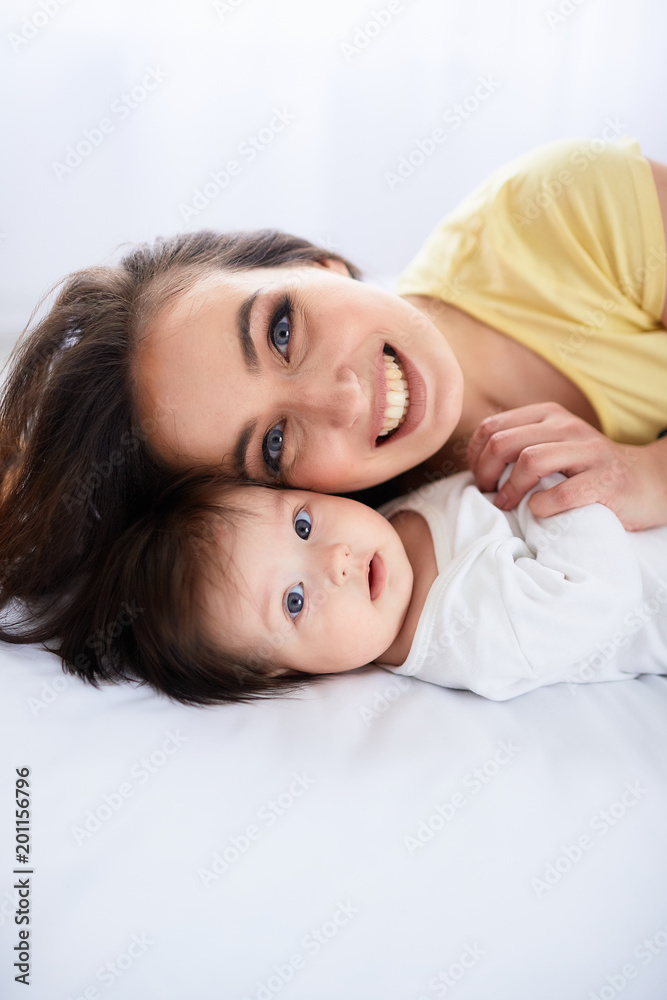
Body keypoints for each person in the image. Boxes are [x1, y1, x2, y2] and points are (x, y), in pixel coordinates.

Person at [2, 136, 667, 653]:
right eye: (273, 444)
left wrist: (651, 473)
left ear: (314, 263)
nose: (346, 400)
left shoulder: (559, 210)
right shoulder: (377, 572)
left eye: (281, 330)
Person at [72, 462, 667, 705]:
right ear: (277, 672)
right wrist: (552, 480)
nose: (335, 559)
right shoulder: (474, 632)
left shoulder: (393, 519)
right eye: (294, 602)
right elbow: (600, 595)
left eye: (302, 524)